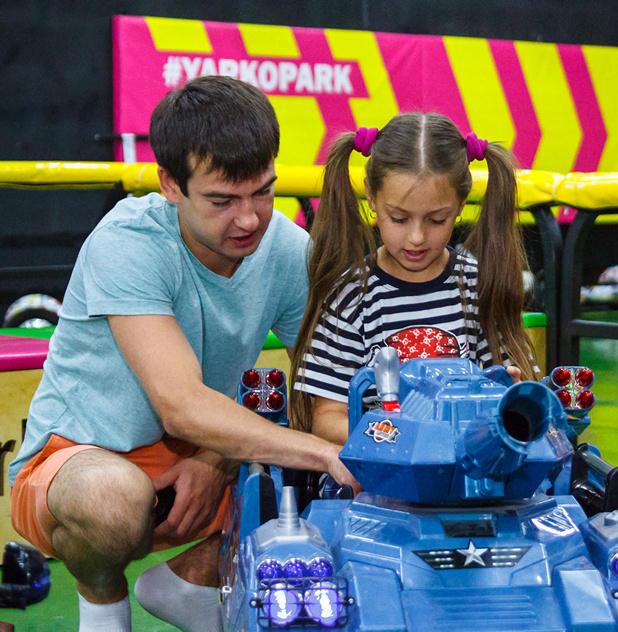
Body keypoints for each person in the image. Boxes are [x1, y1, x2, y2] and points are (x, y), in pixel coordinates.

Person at [8, 76, 358, 632]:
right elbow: (181, 406)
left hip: (199, 457)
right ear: (171, 184)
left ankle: (189, 586)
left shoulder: (289, 248)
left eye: (262, 192)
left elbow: (328, 385)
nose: (249, 219)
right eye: (223, 200)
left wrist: (218, 460)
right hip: (77, 457)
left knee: (343, 471)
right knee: (112, 499)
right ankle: (103, 609)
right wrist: (321, 453)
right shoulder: (127, 241)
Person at [290, 113, 537, 444]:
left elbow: (518, 396)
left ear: (461, 204)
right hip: (380, 471)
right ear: (371, 196)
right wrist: (402, 438)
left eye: (436, 220)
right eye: (399, 218)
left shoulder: (479, 286)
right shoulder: (350, 297)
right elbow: (326, 418)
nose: (417, 238)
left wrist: (509, 399)